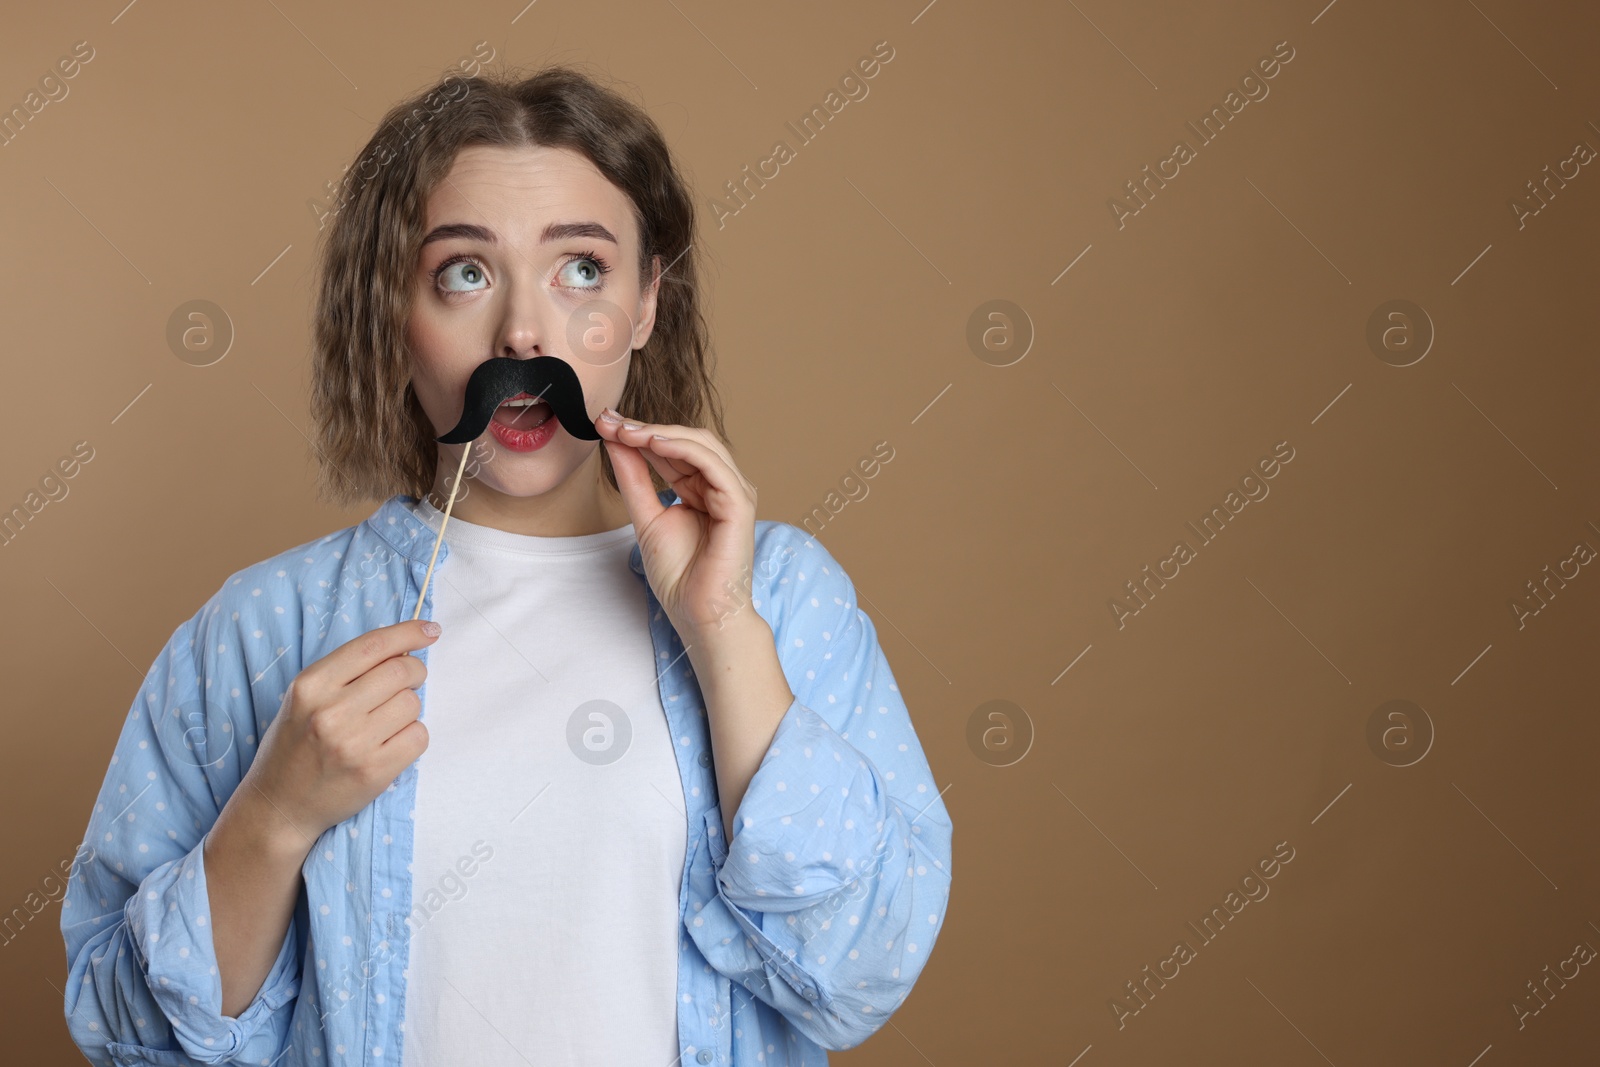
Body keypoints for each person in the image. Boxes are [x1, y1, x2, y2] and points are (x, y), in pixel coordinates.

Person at [60, 64, 952, 1067]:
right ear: (394, 315)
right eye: (464, 273)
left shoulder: (782, 596)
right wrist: (271, 818)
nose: (523, 332)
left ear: (648, 301)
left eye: (581, 269)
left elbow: (862, 972)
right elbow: (125, 1034)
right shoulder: (261, 627)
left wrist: (727, 631)